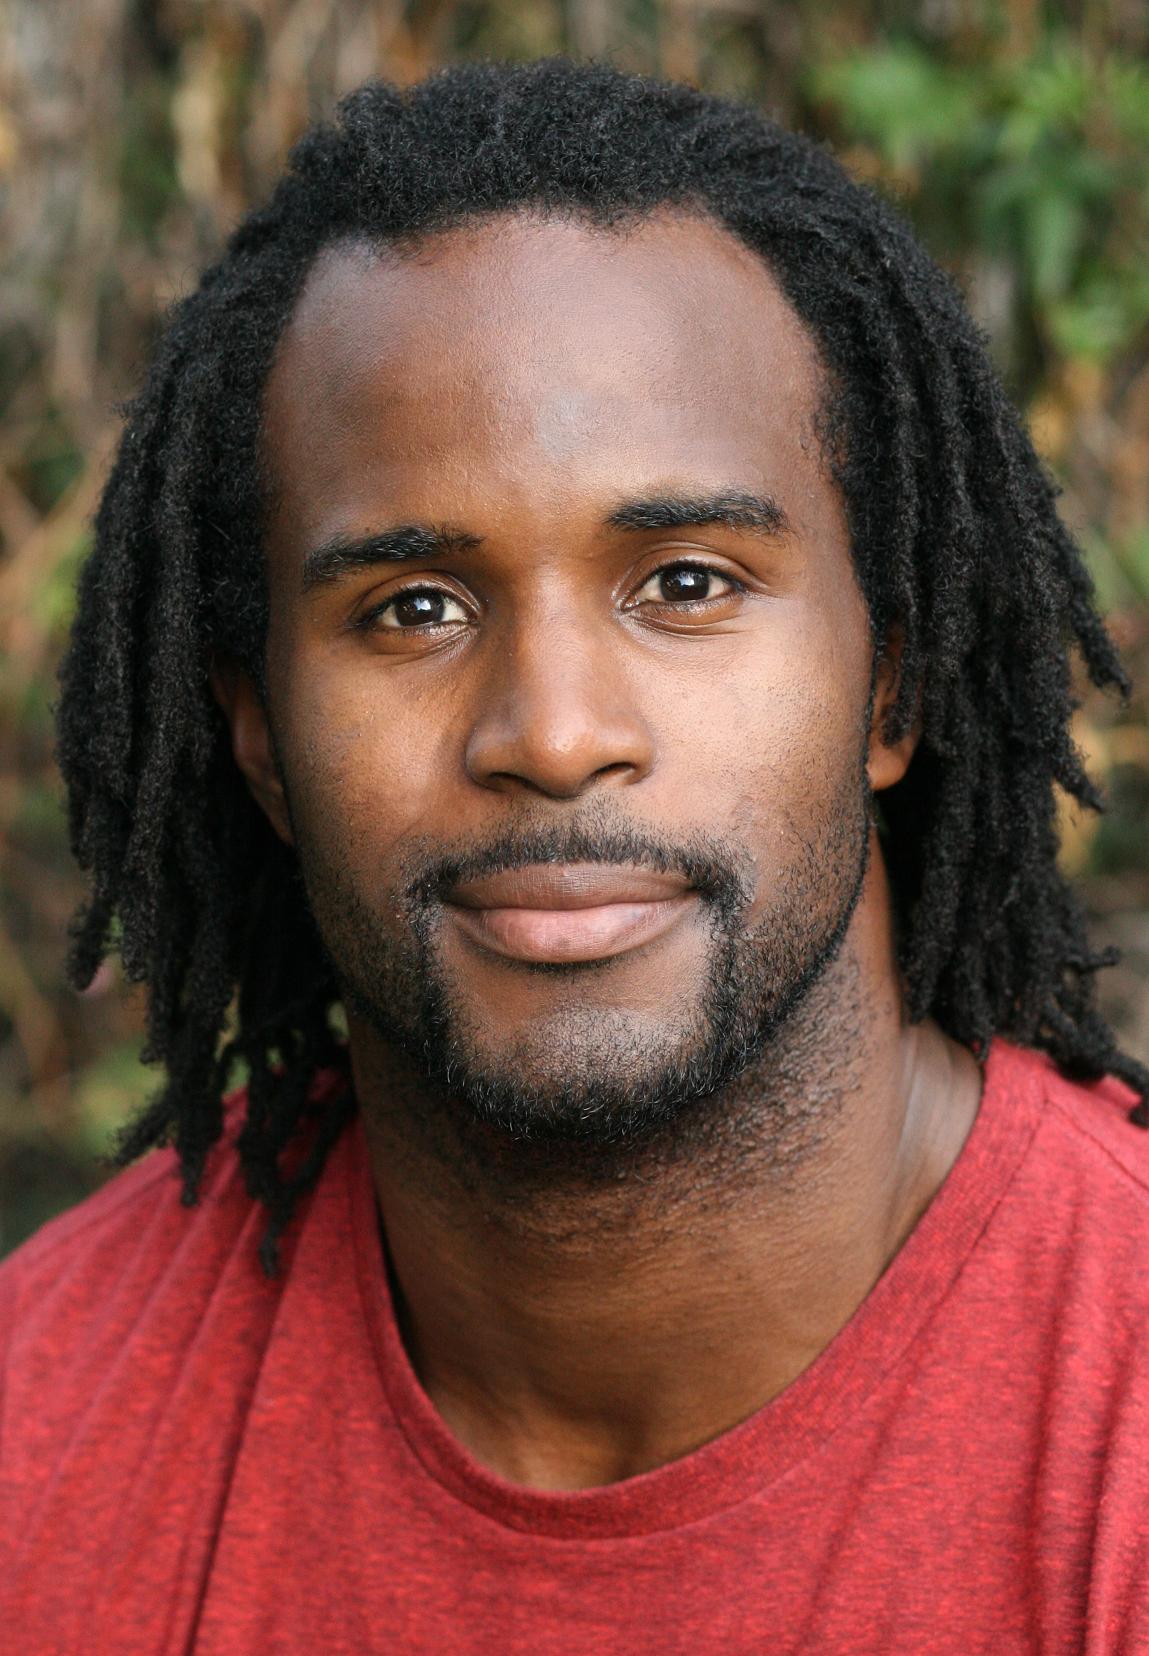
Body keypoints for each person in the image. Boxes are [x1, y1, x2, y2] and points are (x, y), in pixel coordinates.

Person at [2, 55, 1148, 1653]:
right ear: (260, 742)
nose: (551, 734)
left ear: (889, 686)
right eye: (412, 609)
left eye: (684, 583)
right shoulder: (42, 1419)